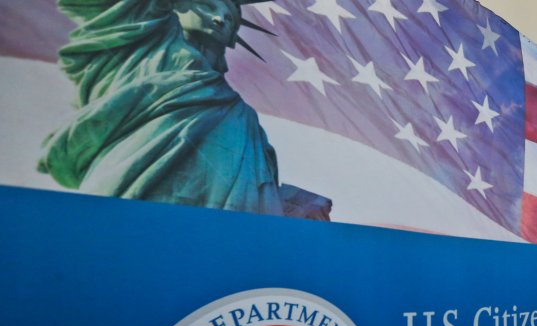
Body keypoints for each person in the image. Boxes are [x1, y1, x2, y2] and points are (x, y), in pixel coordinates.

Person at [38, 0, 331, 220]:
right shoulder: (150, 51)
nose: (219, 18)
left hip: (220, 247)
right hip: (136, 206)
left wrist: (292, 205)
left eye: (230, 17)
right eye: (205, 5)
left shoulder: (241, 114)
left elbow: (250, 194)